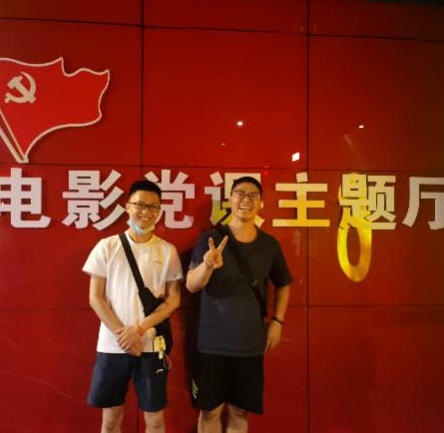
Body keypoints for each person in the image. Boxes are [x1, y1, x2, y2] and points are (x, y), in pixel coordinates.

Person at [186, 176, 292, 433]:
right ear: (230, 200)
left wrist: (277, 321)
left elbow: (284, 283)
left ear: (261, 203)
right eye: (240, 193)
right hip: (211, 344)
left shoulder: (269, 244)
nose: (246, 199)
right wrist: (207, 265)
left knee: (239, 411)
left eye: (253, 195)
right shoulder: (210, 239)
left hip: (250, 345)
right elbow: (191, 285)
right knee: (210, 411)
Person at [83, 180, 183, 433]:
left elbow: (173, 299)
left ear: (159, 211)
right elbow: (96, 297)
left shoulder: (167, 251)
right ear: (127, 207)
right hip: (112, 345)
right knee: (110, 420)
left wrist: (138, 330)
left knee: (155, 421)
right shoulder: (107, 246)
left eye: (153, 207)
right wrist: (124, 335)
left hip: (151, 345)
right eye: (140, 205)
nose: (146, 212)